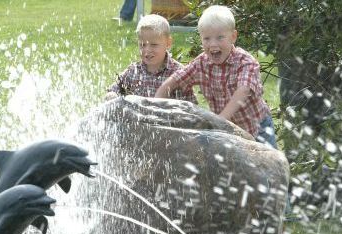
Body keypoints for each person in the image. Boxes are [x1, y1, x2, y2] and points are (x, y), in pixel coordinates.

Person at [154, 5, 277, 149]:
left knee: (268, 166)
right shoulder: (202, 63)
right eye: (207, 38)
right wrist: (157, 104)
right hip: (228, 132)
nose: (213, 44)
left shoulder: (245, 62)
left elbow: (242, 92)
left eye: (220, 37)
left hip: (258, 128)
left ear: (233, 36)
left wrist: (220, 120)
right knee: (233, 167)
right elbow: (174, 80)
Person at [105, 14, 197, 104]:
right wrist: (112, 95)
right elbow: (113, 90)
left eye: (154, 45)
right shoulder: (134, 71)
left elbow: (190, 108)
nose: (147, 50)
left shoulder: (178, 73)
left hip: (167, 118)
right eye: (142, 45)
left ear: (168, 43)